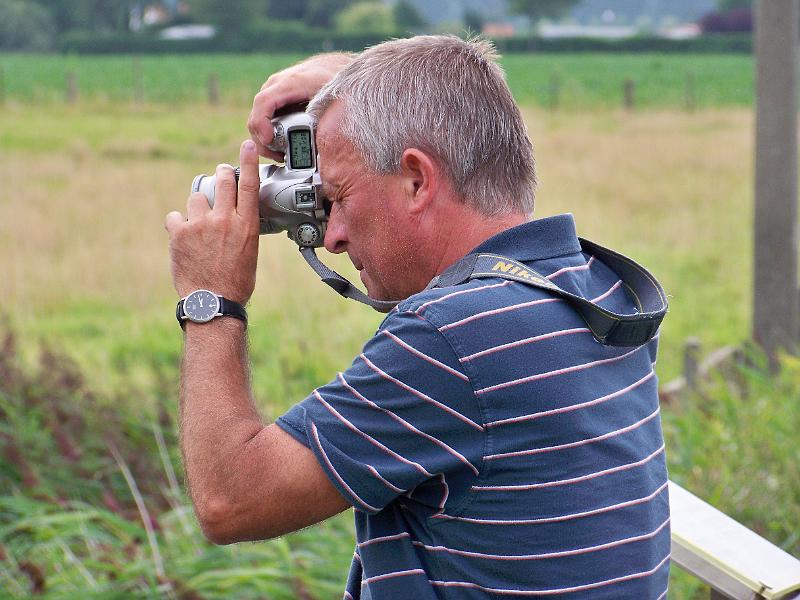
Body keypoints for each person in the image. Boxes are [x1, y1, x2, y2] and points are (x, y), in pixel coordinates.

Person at [165, 35, 670, 599]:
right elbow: (458, 109)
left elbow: (230, 501)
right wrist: (349, 82)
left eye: (338, 197)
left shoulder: (455, 339)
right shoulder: (587, 288)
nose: (331, 237)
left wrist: (211, 297)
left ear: (416, 179)